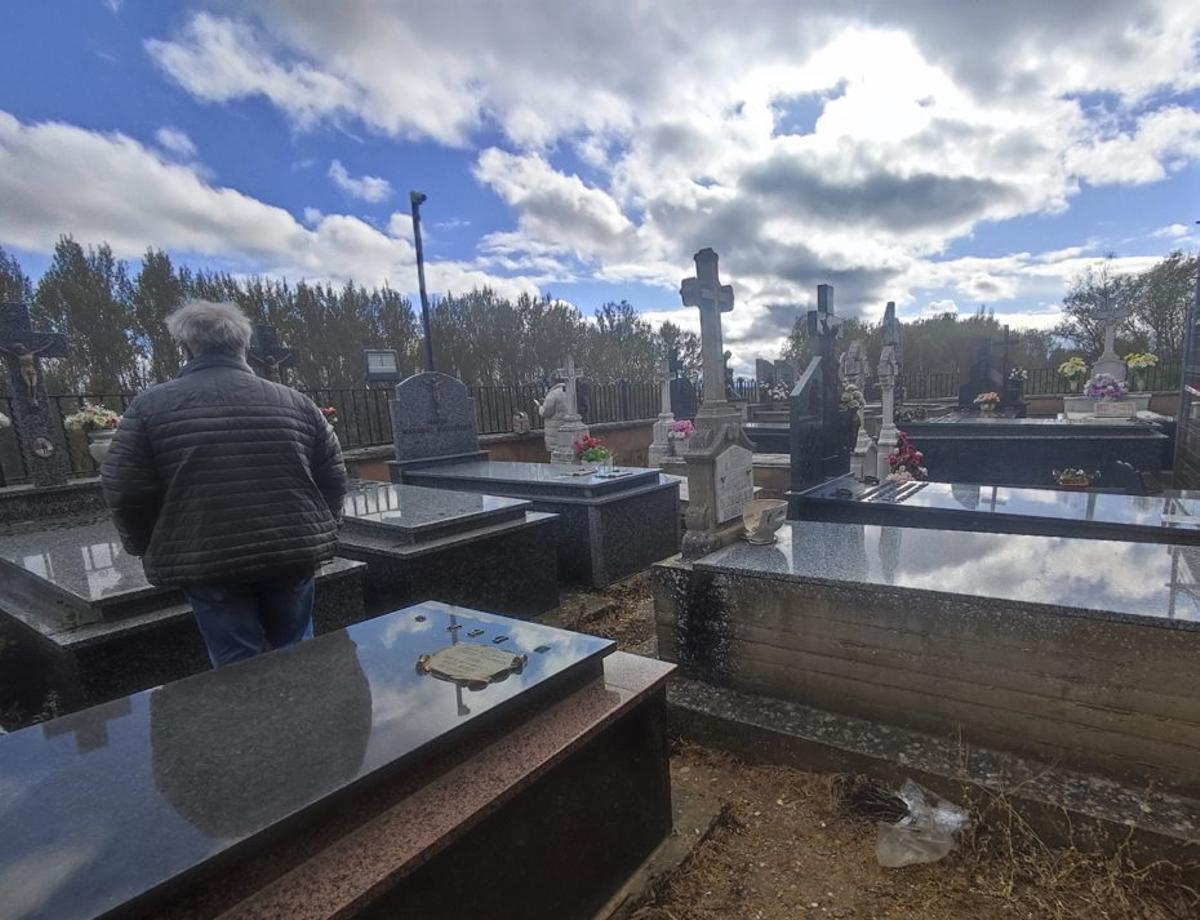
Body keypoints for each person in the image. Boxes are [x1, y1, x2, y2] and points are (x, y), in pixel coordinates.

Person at [101, 300, 348, 667]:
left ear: (186, 347)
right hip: (291, 549)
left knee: (236, 663)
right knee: (297, 649)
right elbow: (332, 474)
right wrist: (326, 526)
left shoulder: (150, 406)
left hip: (207, 554)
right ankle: (305, 720)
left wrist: (142, 543)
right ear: (242, 345)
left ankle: (248, 724)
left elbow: (126, 487)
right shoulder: (295, 402)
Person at [534, 375, 568, 454]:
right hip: (566, 430)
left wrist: (539, 407)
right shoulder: (569, 391)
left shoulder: (553, 394)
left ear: (553, 381)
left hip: (554, 433)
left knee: (556, 457)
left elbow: (546, 412)